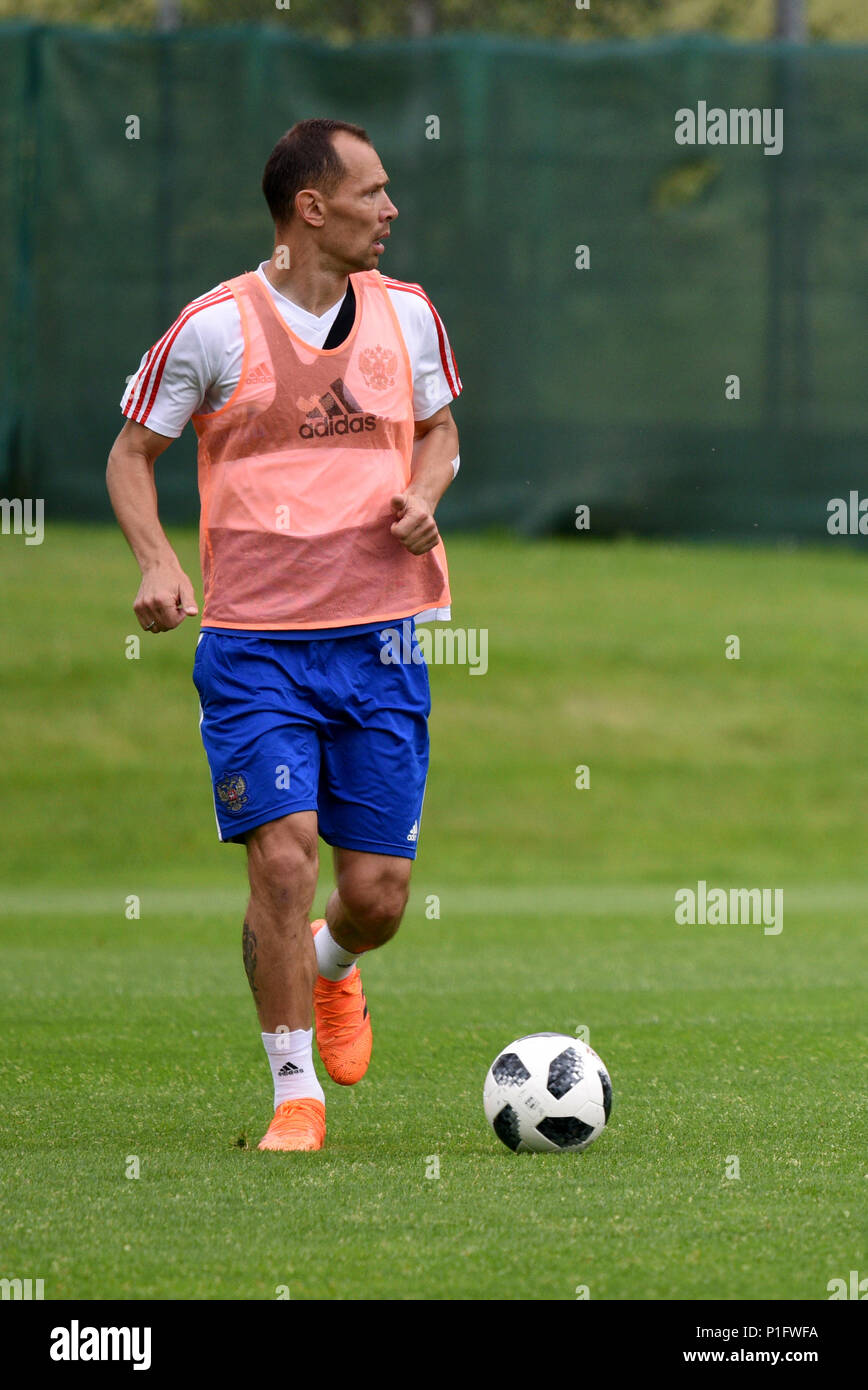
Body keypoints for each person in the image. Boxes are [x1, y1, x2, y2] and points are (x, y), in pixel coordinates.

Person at [106, 118, 462, 1152]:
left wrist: (424, 491)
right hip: (257, 646)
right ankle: (292, 1096)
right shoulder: (214, 327)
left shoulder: (409, 315)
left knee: (378, 897)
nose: (391, 210)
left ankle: (334, 962)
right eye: (372, 192)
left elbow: (438, 432)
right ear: (312, 208)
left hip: (381, 641)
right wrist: (158, 561)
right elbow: (133, 454)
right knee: (282, 859)